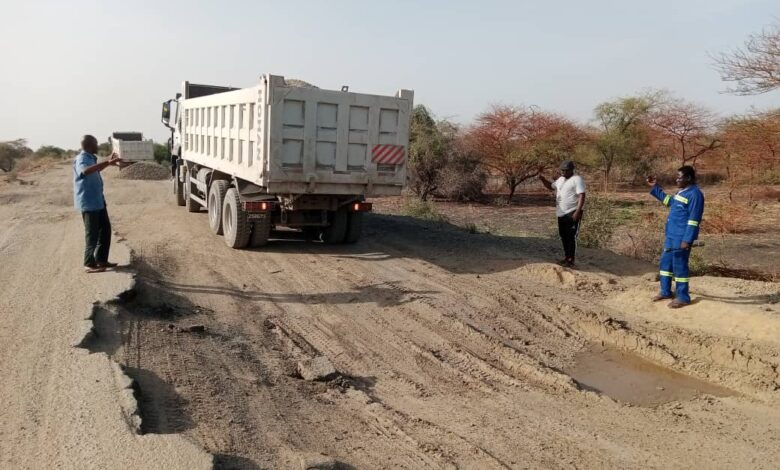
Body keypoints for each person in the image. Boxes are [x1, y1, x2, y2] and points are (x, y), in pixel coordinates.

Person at [646, 165, 705, 309]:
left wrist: (687, 240)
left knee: (680, 267)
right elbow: (670, 202)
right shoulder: (682, 192)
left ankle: (683, 297)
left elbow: (694, 219)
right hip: (671, 235)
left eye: (680, 177)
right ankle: (666, 292)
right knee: (665, 264)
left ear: (689, 178)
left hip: (681, 237)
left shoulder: (695, 195)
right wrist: (656, 187)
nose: (676, 179)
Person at [73, 135, 122, 273]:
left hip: (98, 201)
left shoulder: (90, 157)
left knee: (105, 230)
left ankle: (101, 260)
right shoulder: (82, 158)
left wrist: (108, 161)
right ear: (89, 145)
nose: (97, 146)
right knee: (92, 234)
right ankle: (89, 263)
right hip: (89, 202)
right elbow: (85, 171)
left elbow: (95, 169)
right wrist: (107, 162)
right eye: (95, 143)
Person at [539, 160, 586, 267]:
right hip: (561, 213)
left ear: (572, 170)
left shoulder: (577, 179)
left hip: (572, 212)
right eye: (562, 170)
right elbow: (551, 186)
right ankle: (566, 257)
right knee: (563, 235)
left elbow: (582, 195)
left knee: (571, 236)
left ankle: (570, 260)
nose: (563, 172)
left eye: (566, 170)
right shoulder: (560, 179)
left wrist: (578, 211)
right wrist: (542, 180)